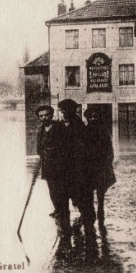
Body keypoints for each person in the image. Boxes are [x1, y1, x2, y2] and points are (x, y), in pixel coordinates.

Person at [57, 99, 97, 244]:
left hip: (78, 170)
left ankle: (89, 228)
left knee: (82, 199)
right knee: (63, 199)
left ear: (69, 111)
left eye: (63, 111)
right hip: (64, 170)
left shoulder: (79, 126)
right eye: (60, 111)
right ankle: (66, 231)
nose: (61, 113)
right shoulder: (60, 125)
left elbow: (83, 149)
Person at [36, 105, 71, 249]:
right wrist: (43, 155)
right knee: (52, 191)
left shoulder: (59, 127)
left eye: (46, 115)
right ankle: (58, 212)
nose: (44, 118)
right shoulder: (40, 131)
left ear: (51, 115)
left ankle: (64, 221)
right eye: (41, 116)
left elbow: (66, 146)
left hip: (61, 166)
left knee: (62, 192)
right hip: (48, 167)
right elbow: (39, 148)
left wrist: (55, 154)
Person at [83, 107, 116, 225]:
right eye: (90, 117)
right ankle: (91, 211)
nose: (93, 119)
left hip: (101, 164)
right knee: (88, 190)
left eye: (95, 116)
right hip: (88, 165)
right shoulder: (84, 131)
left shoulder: (104, 131)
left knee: (101, 189)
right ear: (87, 118)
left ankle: (100, 209)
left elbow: (109, 148)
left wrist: (108, 161)